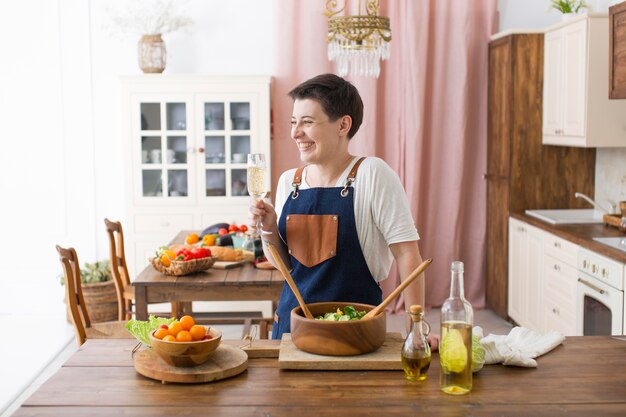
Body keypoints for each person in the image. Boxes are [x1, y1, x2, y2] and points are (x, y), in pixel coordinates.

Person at [249, 73, 427, 342]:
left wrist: (416, 325)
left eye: (307, 122)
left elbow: (406, 253)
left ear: (343, 125)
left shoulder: (373, 174)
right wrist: (268, 228)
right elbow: (285, 266)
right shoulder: (290, 181)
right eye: (294, 122)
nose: (296, 133)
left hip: (356, 328)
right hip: (292, 327)